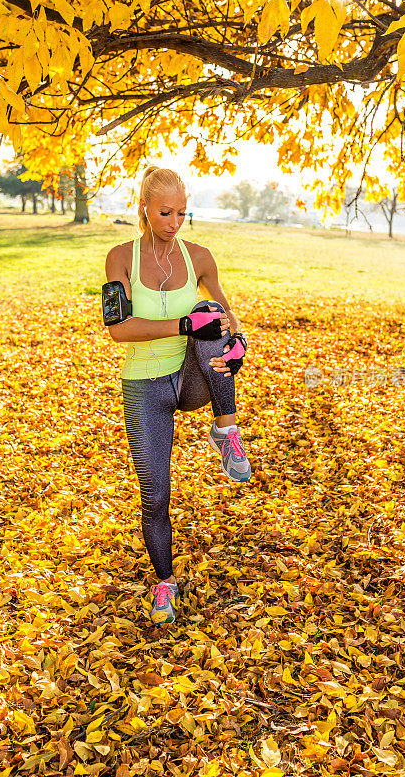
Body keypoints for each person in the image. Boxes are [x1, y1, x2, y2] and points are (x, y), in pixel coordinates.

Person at [105, 165, 250, 627]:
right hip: (143, 387)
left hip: (190, 378)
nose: (175, 221)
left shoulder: (200, 257)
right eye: (166, 212)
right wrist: (184, 324)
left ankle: (226, 428)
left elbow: (228, 319)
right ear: (145, 208)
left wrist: (238, 349)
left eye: (182, 212)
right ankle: (164, 582)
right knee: (155, 497)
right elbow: (118, 329)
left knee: (209, 310)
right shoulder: (119, 257)